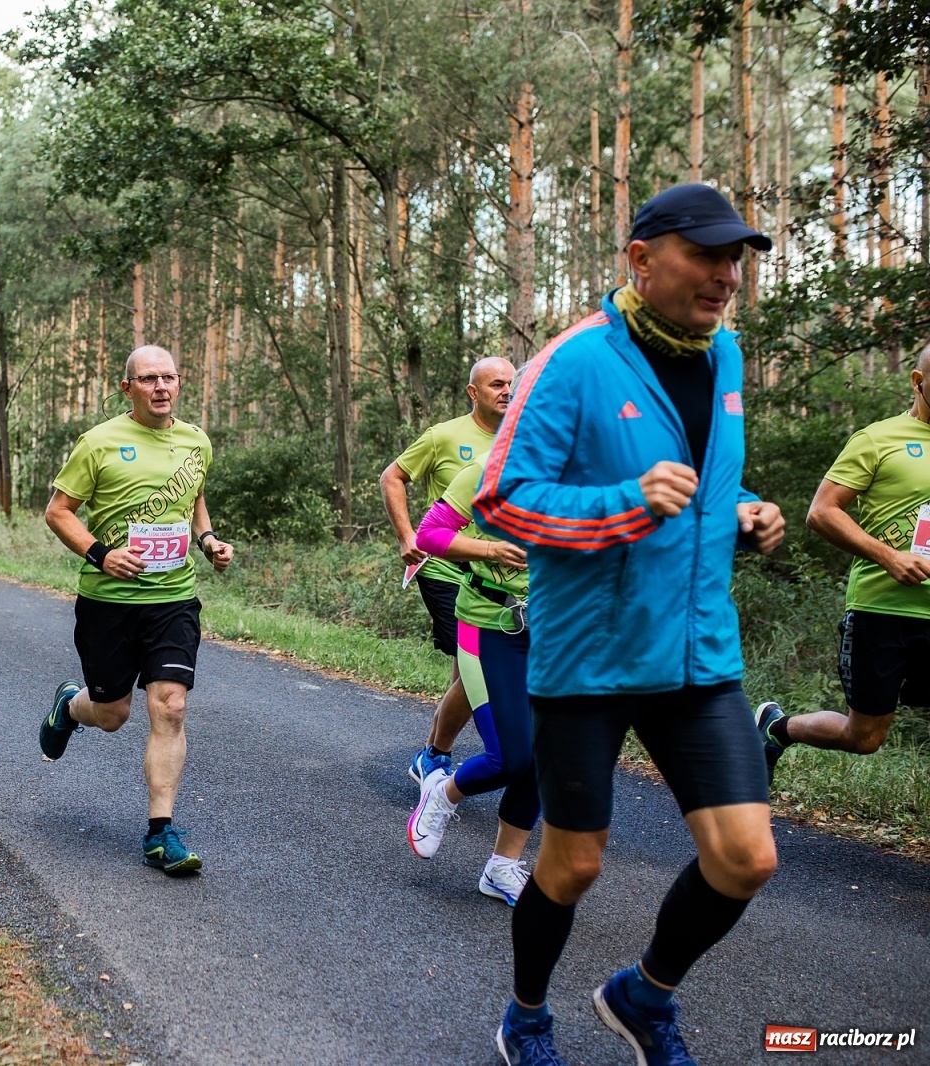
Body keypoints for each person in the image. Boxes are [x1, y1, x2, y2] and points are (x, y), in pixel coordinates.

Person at [474, 184, 786, 1066]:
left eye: (735, 260)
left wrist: (746, 510)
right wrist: (626, 502)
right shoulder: (573, 361)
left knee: (746, 858)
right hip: (591, 660)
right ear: (642, 260)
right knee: (573, 865)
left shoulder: (725, 357)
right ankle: (526, 1017)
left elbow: (701, 484)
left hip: (698, 654)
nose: (727, 276)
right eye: (707, 256)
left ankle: (642, 995)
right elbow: (502, 498)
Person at [40, 345, 235, 875]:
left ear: (179, 382)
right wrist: (101, 554)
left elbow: (194, 498)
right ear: (128, 388)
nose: (160, 387)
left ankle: (159, 832)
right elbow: (58, 512)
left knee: (171, 706)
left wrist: (208, 540)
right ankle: (71, 706)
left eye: (168, 377)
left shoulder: (195, 440)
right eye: (148, 379)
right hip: (109, 602)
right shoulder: (98, 442)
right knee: (112, 714)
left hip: (173, 597)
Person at [756, 350, 930, 778]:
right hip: (883, 608)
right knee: (865, 737)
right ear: (918, 381)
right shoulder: (878, 439)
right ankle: (777, 727)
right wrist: (889, 556)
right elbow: (822, 512)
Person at [380, 357, 516, 785]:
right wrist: (407, 536)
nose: (506, 391)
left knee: (467, 669)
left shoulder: (521, 441)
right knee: (476, 664)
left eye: (511, 384)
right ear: (473, 392)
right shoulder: (444, 436)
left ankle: (434, 754)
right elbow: (392, 477)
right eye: (496, 384)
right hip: (446, 568)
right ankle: (438, 757)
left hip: (500, 576)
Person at [409, 461, 537, 906]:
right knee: (510, 757)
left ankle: (502, 868)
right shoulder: (488, 474)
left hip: (557, 632)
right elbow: (429, 535)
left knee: (546, 755)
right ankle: (443, 794)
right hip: (489, 624)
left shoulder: (587, 478)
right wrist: (490, 550)